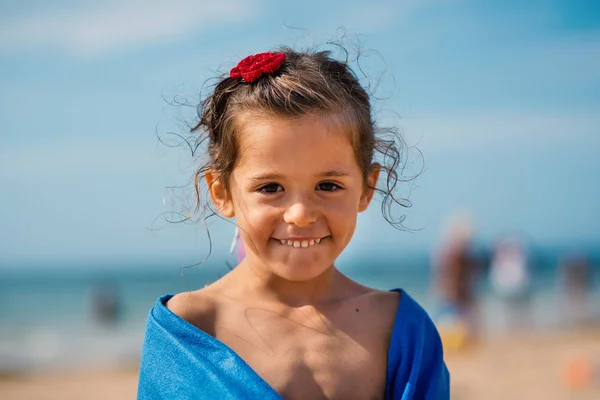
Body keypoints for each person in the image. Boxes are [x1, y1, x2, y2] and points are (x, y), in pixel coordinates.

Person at [138, 48, 449, 399]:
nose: (300, 214)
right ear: (221, 191)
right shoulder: (188, 329)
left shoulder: (399, 330)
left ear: (367, 187)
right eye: (271, 188)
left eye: (328, 186)